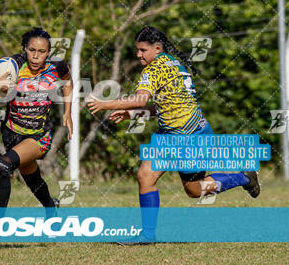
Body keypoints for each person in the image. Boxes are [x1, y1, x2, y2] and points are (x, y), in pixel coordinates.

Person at [87, 25, 260, 244]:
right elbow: (167, 105)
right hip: (175, 134)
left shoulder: (154, 69)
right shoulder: (174, 63)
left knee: (189, 188)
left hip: (188, 136)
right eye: (137, 50)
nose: (138, 54)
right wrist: (130, 113)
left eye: (142, 50)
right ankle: (148, 235)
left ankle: (242, 176)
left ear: (157, 48)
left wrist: (105, 104)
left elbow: (142, 99)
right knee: (161, 180)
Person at [0, 27, 73, 219]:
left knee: (2, 167)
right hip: (12, 133)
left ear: (49, 52)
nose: (36, 56)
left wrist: (68, 112)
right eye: (31, 50)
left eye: (42, 52)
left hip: (38, 136)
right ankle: (51, 207)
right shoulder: (13, 65)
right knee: (31, 177)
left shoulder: (56, 66)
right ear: (24, 48)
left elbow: (68, 82)